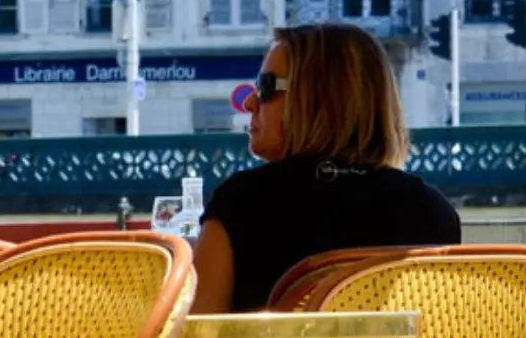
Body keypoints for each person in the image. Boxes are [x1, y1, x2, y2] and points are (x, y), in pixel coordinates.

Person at [192, 20, 460, 315]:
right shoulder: (433, 211)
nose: (250, 102)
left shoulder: (240, 202)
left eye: (267, 87)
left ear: (318, 98)